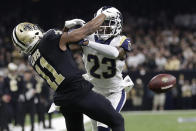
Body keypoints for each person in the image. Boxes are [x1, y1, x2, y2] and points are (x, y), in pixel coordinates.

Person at [11, 7, 125, 131]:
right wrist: (104, 14)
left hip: (63, 100)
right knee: (117, 121)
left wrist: (65, 29)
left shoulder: (31, 59)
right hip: (78, 92)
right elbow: (86, 31)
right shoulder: (49, 38)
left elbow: (58, 48)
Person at [66, 6, 133, 131]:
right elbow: (65, 41)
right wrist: (75, 29)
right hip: (94, 92)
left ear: (118, 24)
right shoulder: (88, 36)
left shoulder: (122, 40)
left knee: (104, 127)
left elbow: (116, 53)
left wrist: (88, 43)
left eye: (108, 23)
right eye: (102, 23)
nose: (104, 26)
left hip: (114, 92)